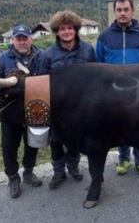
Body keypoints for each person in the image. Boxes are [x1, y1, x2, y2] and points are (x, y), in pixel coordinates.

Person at [95, 0, 139, 177]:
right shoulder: (105, 36)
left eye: (126, 10)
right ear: (114, 12)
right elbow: (97, 64)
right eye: (119, 10)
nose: (122, 13)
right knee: (120, 127)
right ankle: (123, 159)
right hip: (114, 92)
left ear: (132, 11)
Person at [39, 10, 96, 189]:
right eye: (62, 29)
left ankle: (73, 166)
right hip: (57, 107)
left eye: (70, 28)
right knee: (56, 140)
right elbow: (41, 81)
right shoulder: (48, 55)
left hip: (82, 106)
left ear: (75, 29)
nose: (66, 32)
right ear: (56, 31)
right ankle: (58, 172)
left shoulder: (88, 50)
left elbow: (97, 76)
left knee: (76, 139)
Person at [0, 24, 45, 198]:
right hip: (11, 112)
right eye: (18, 38)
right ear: (12, 40)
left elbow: (49, 79)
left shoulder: (42, 56)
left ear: (31, 39)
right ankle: (13, 178)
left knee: (33, 143)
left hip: (34, 110)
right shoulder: (3, 58)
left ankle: (28, 172)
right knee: (9, 146)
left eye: (25, 38)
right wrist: (12, 89)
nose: (22, 42)